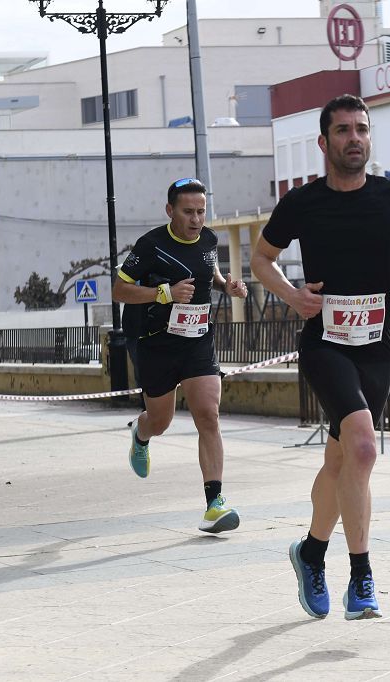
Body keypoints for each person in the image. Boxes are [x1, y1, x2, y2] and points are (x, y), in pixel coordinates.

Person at [251, 94, 390, 620]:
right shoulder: (302, 202)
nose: (354, 138)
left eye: (361, 129)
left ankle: (310, 552)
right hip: (325, 343)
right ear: (324, 142)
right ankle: (362, 578)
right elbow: (261, 259)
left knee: (342, 460)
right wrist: (292, 295)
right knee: (363, 448)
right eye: (343, 130)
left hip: (376, 348)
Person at [113, 178, 249, 534]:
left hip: (197, 341)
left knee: (208, 414)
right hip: (156, 344)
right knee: (161, 421)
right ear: (170, 210)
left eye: (201, 211)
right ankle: (141, 433)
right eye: (188, 212)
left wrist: (227, 285)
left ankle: (214, 505)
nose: (196, 219)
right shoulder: (151, 245)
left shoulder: (209, 240)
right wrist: (165, 293)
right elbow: (119, 289)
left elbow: (209, 273)